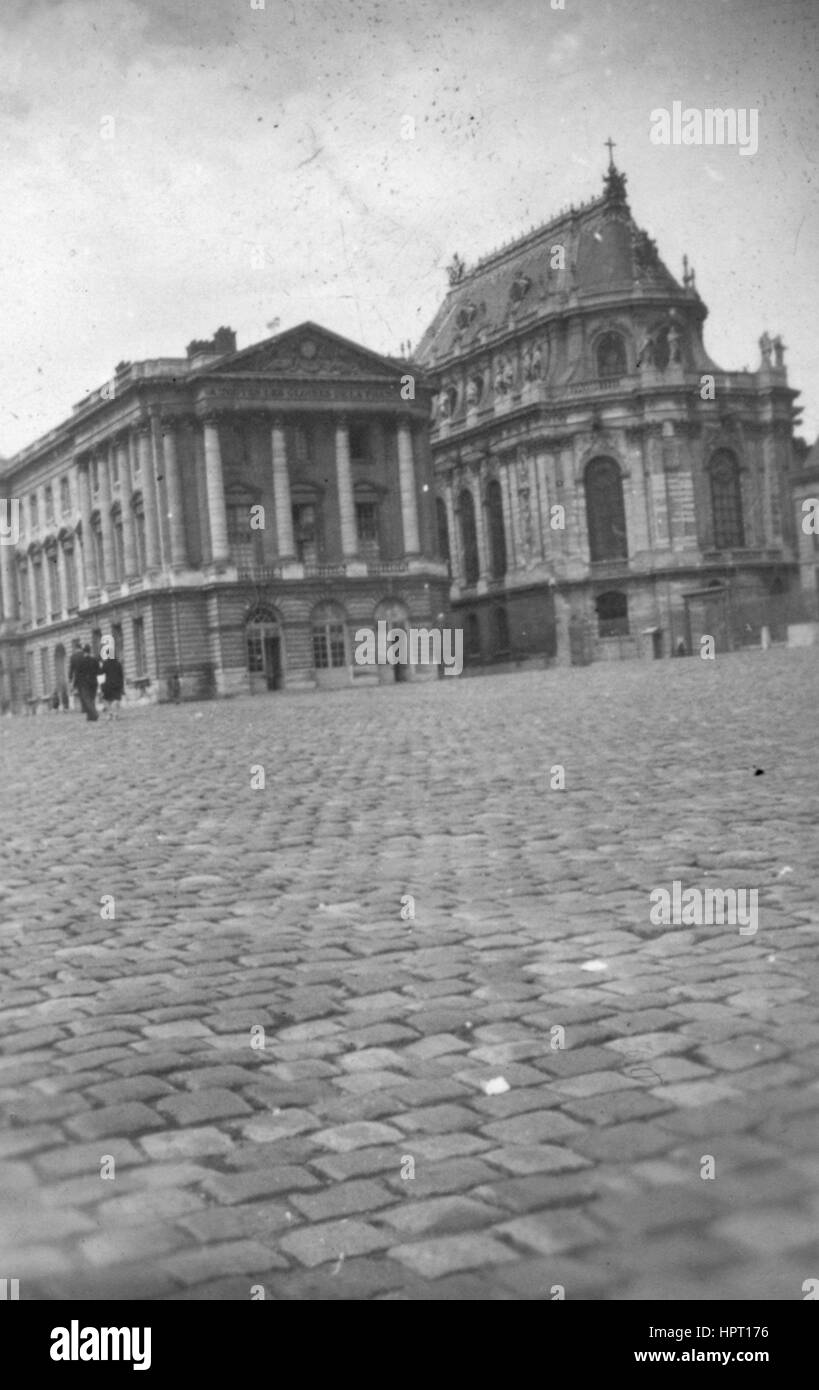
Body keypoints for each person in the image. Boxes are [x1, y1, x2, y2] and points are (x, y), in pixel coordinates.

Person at [74, 643, 100, 722]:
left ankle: (94, 713)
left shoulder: (80, 661)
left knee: (87, 700)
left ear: (84, 651)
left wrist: (75, 684)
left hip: (84, 683)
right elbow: (99, 671)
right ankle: (90, 717)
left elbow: (77, 673)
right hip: (93, 682)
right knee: (92, 699)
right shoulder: (95, 660)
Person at [100, 650, 125, 719]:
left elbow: (101, 673)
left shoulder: (105, 663)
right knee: (116, 699)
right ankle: (116, 713)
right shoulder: (118, 663)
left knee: (106, 699)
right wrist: (122, 686)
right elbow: (121, 676)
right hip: (117, 684)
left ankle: (110, 713)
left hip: (108, 685)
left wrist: (101, 686)